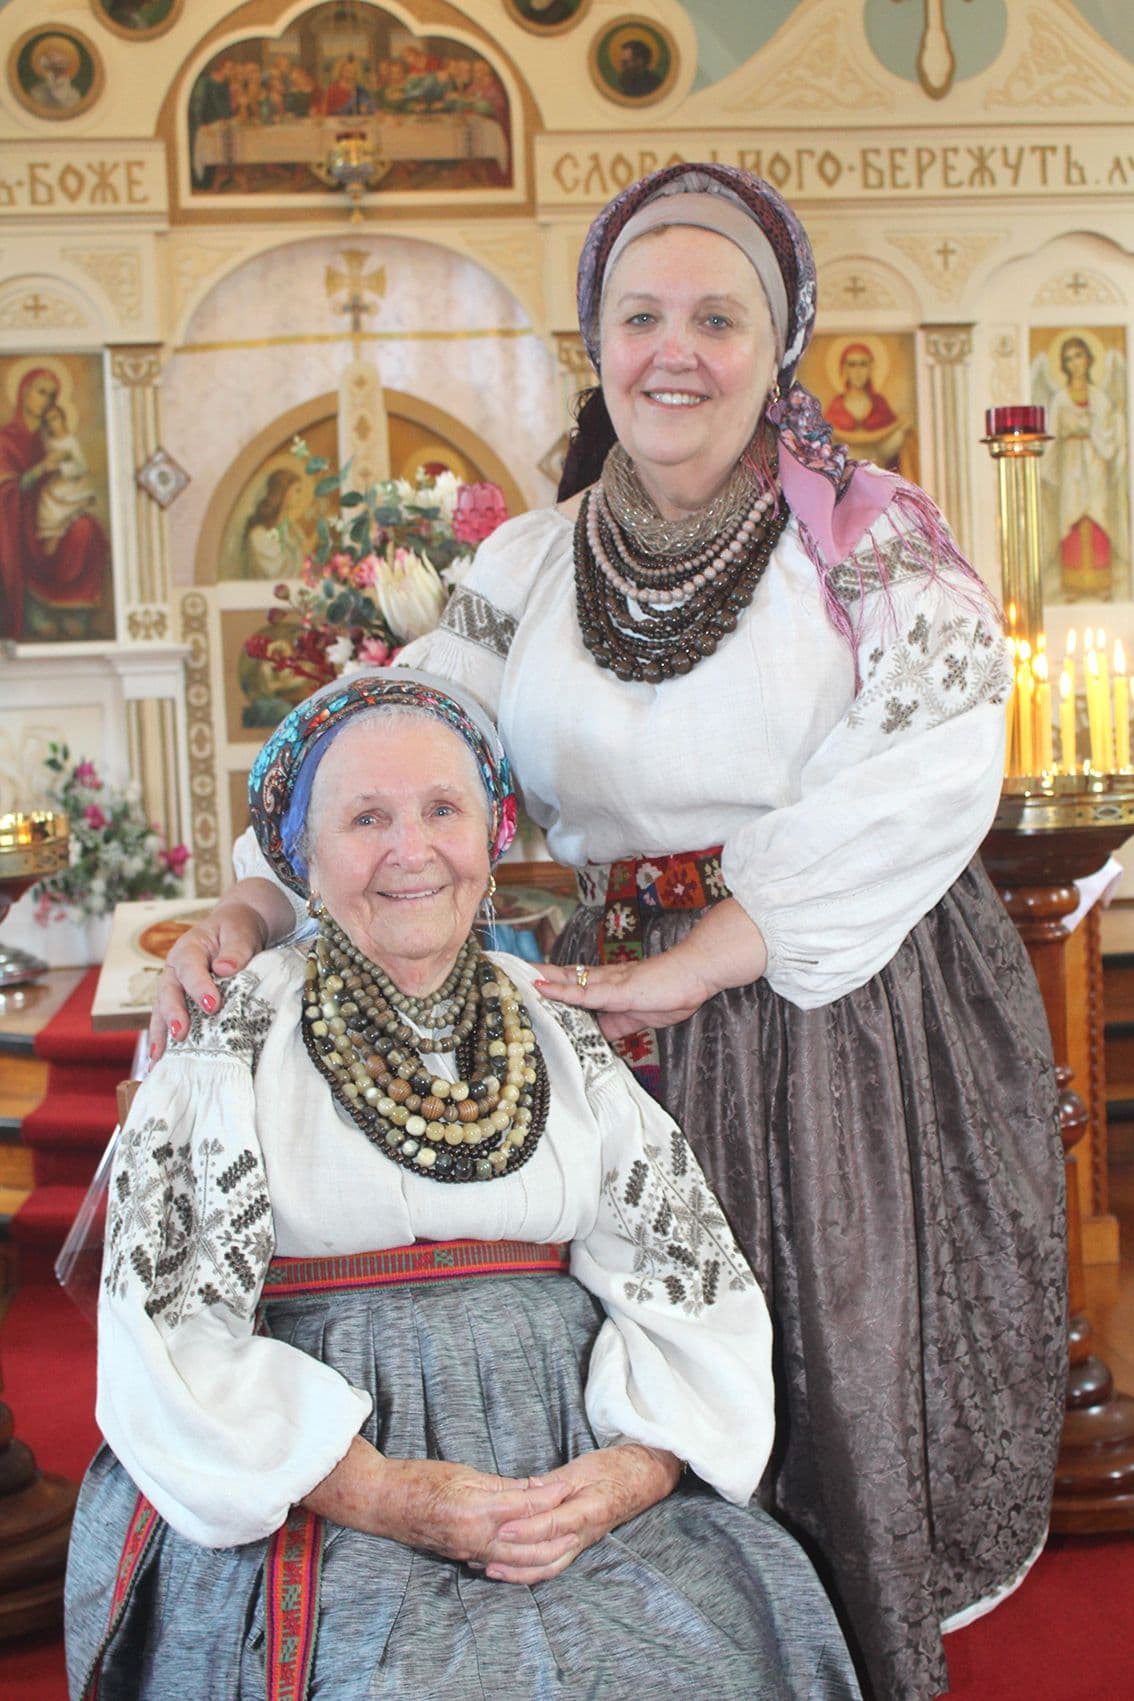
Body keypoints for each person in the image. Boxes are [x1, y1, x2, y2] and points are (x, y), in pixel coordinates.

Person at [151, 165, 1065, 1700]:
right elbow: (401, 744)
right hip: (601, 1031)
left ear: (779, 347)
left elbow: (933, 758)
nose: (674, 351)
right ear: (597, 343)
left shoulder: (871, 548)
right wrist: (252, 894)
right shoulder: (523, 568)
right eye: (639, 316)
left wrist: (703, 953)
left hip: (823, 1014)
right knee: (625, 1388)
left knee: (815, 1362)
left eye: (718, 317)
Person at [65, 670, 861, 1700]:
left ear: (490, 841)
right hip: (322, 1482)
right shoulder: (232, 1035)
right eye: (366, 818)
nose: (411, 850)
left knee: (720, 1638)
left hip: (572, 1460)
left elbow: (684, 1280)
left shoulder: (557, 1024)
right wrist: (387, 1493)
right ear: (302, 857)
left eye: (443, 810)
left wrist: (633, 1473)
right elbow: (165, 1334)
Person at [0, 367, 108, 640]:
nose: (45, 400)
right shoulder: (5, 439)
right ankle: (37, 614)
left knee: (87, 529)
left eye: (51, 395)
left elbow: (76, 470)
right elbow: (6, 488)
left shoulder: (51, 439)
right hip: (19, 520)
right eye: (40, 391)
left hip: (53, 510)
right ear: (23, 391)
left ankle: (73, 613)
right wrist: (40, 469)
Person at [1041, 333, 1128, 601]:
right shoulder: (1059, 400)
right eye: (1068, 359)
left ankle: (1102, 583)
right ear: (1063, 366)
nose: (1074, 363)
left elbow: (1109, 435)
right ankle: (1073, 585)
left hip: (1095, 461)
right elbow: (1051, 436)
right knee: (1073, 515)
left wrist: (1102, 425)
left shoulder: (1100, 397)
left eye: (1079, 356)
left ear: (1089, 359)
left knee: (1097, 514)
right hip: (1070, 464)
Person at [823, 340, 917, 477]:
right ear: (844, 369)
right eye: (852, 365)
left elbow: (890, 447)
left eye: (863, 364)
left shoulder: (879, 404)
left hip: (878, 477)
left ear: (870, 369)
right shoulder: (837, 405)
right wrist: (896, 426)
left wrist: (902, 426)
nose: (858, 371)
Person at [35, 403, 98, 554]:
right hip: (54, 486)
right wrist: (48, 466)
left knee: (58, 520)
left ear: (62, 419)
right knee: (46, 508)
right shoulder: (49, 442)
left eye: (54, 418)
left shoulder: (70, 441)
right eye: (47, 421)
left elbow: (82, 467)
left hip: (70, 488)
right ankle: (50, 555)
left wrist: (62, 466)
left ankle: (53, 550)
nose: (52, 423)